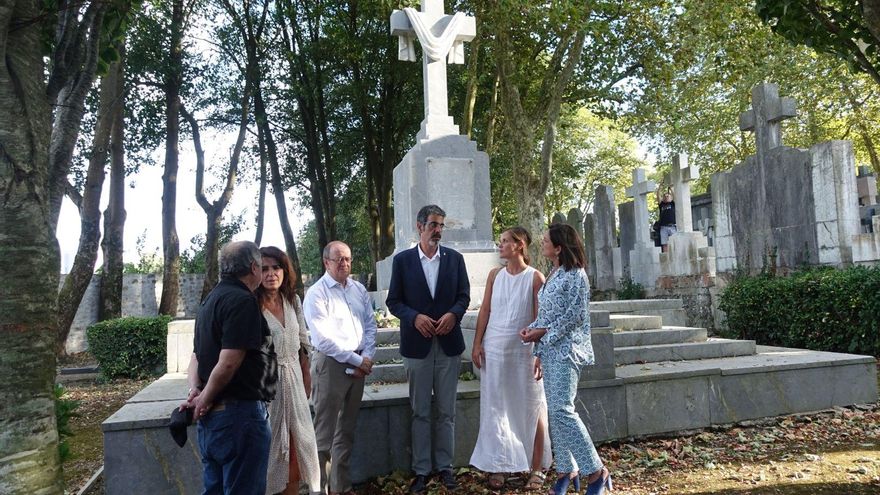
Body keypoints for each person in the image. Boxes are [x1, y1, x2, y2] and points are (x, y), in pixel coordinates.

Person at [520, 224, 613, 495]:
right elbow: (548, 314)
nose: (542, 241)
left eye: (547, 240)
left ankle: (595, 471)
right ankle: (565, 471)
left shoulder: (576, 275)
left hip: (567, 350)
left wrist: (543, 333)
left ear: (559, 247)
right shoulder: (555, 272)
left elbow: (576, 316)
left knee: (562, 410)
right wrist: (535, 338)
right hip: (549, 350)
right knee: (555, 412)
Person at [182, 240, 278, 495]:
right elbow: (228, 361)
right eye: (261, 266)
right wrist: (203, 399)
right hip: (239, 417)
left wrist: (196, 391)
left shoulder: (210, 300)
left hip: (214, 420)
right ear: (253, 267)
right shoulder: (242, 300)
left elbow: (196, 357)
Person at [386, 204, 470, 494]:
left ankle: (445, 467)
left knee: (447, 411)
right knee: (420, 411)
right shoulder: (403, 261)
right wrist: (414, 317)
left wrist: (453, 315)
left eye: (441, 225)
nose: (438, 230)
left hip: (448, 345)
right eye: (434, 224)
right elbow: (393, 301)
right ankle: (421, 470)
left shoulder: (455, 260)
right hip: (416, 345)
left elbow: (464, 296)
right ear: (419, 226)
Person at [469, 226, 551, 491]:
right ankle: (500, 464)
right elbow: (485, 310)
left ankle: (536, 468)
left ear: (519, 245)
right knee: (496, 407)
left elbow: (542, 320)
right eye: (500, 241)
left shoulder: (535, 278)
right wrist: (477, 342)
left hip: (523, 352)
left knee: (533, 406)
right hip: (494, 349)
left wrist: (540, 353)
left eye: (505, 241)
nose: (500, 245)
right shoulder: (495, 275)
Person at [303, 241, 377, 495]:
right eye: (338, 260)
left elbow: (369, 325)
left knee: (345, 432)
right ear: (326, 262)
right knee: (324, 435)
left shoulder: (358, 290)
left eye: (347, 259)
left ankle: (341, 488)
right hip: (331, 366)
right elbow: (322, 339)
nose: (344, 264)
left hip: (358, 366)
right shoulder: (317, 293)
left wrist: (366, 357)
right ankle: (318, 490)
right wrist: (359, 362)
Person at [256, 246, 322, 495]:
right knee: (273, 450)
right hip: (267, 387)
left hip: (294, 382)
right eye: (264, 269)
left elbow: (304, 344)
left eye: (276, 267)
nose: (271, 273)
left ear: (284, 270)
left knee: (298, 447)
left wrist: (307, 378)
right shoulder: (252, 304)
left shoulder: (292, 300)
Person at [656, 185, 676, 252]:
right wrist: (659, 188)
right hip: (663, 227)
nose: (666, 197)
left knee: (675, 243)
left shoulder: (672, 204)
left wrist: (671, 189)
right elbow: (658, 196)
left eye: (668, 196)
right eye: (665, 196)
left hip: (672, 226)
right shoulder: (661, 204)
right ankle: (666, 257)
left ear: (671, 197)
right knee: (664, 244)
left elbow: (675, 196)